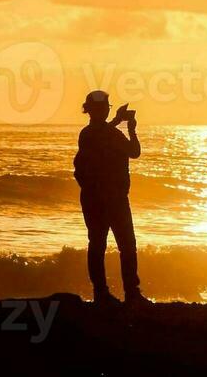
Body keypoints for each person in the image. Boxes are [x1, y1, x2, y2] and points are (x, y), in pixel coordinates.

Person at [74, 90, 146, 304]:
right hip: (113, 198)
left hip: (94, 198)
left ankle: (101, 293)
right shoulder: (108, 134)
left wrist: (117, 121)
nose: (105, 110)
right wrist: (132, 129)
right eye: (104, 108)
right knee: (126, 245)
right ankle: (130, 293)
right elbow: (134, 151)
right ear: (99, 110)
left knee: (97, 244)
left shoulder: (88, 134)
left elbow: (100, 132)